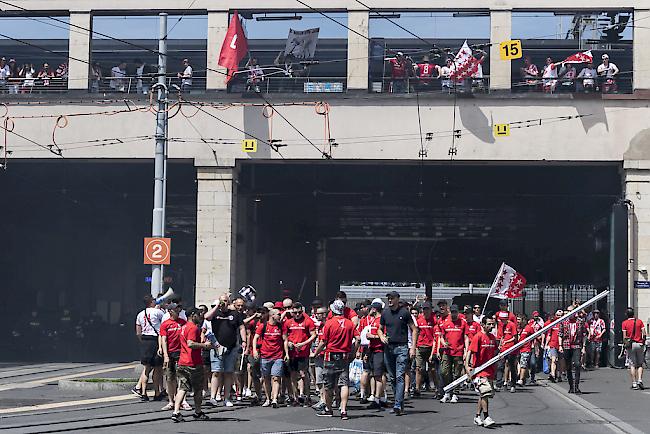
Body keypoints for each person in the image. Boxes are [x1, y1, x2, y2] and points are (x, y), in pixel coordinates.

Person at [313, 300, 359, 420]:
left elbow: (323, 342)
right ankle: (343, 410)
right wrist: (353, 351)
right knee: (343, 383)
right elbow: (358, 338)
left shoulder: (329, 323)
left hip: (330, 356)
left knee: (328, 384)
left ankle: (329, 409)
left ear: (333, 310)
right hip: (344, 355)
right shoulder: (349, 323)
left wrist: (315, 353)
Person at [378, 291, 417, 415]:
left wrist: (413, 348)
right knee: (393, 377)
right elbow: (379, 329)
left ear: (397, 299)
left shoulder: (404, 312)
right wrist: (381, 336)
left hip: (402, 348)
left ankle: (397, 404)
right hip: (388, 348)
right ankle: (399, 403)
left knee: (400, 376)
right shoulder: (385, 313)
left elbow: (414, 329)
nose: (390, 300)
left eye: (392, 298)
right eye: (388, 298)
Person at [204, 293, 246, 407]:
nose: (223, 303)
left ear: (229, 302)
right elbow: (207, 317)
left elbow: (241, 327)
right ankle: (213, 397)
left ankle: (226, 397)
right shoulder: (215, 312)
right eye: (222, 301)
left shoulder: (234, 314)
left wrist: (244, 341)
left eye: (225, 301)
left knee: (228, 372)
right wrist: (217, 306)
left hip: (231, 347)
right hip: (217, 347)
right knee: (216, 372)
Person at [171, 307, 213, 422]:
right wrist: (204, 345)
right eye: (199, 314)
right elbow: (190, 344)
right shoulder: (193, 328)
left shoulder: (183, 327)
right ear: (193, 315)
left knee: (182, 387)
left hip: (182, 361)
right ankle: (198, 411)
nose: (200, 317)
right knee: (198, 388)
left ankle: (176, 412)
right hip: (193, 362)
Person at [159, 303, 192, 411]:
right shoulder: (165, 324)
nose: (178, 311)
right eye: (175, 310)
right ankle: (171, 401)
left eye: (178, 309)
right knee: (169, 378)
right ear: (170, 311)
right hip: (170, 352)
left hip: (181, 352)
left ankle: (183, 400)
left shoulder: (183, 323)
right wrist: (165, 355)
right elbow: (163, 339)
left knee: (182, 377)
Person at [283, 302, 316, 406]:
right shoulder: (288, 322)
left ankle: (307, 396)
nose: (297, 314)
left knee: (303, 374)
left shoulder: (308, 321)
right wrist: (288, 344)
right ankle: (295, 397)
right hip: (292, 353)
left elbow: (313, 335)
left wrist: (304, 343)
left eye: (299, 312)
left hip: (303, 352)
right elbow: (284, 337)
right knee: (293, 375)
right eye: (295, 312)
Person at [134, 295, 165, 401]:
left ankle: (143, 393)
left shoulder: (140, 314)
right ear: (151, 302)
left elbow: (138, 331)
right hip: (156, 340)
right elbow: (165, 324)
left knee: (146, 368)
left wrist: (142, 341)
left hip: (145, 340)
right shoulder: (158, 312)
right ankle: (157, 392)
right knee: (157, 368)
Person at [468, 316, 497, 427]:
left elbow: (494, 352)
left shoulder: (492, 338)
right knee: (485, 393)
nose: (491, 326)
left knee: (482, 395)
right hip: (480, 371)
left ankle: (477, 416)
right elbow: (470, 352)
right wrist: (468, 367)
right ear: (483, 325)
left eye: (492, 324)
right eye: (489, 324)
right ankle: (486, 417)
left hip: (490, 371)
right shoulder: (478, 337)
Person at [253, 308, 285, 408]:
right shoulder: (263, 326)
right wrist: (254, 350)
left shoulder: (281, 326)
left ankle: (274, 399)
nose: (280, 316)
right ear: (272, 316)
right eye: (278, 314)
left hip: (278, 356)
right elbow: (255, 338)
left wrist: (286, 353)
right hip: (265, 356)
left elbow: (285, 340)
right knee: (266, 378)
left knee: (276, 377)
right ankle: (268, 398)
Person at [439, 304, 469, 403]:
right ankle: (447, 392)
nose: (454, 314)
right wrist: (443, 343)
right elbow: (441, 336)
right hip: (447, 352)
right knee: (444, 372)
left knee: (457, 374)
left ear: (458, 312)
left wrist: (466, 351)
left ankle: (455, 393)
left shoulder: (463, 323)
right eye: (452, 312)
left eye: (455, 312)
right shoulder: (446, 323)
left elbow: (466, 338)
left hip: (458, 352)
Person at [558, 306, 586, 394]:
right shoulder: (563, 322)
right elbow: (560, 334)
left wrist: (584, 347)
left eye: (572, 311)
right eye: (568, 311)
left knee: (577, 364)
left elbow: (584, 335)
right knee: (568, 366)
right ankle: (571, 386)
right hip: (566, 345)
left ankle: (576, 386)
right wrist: (560, 346)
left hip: (576, 345)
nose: (570, 313)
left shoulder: (580, 322)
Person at [363, 301, 386, 409]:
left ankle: (377, 399)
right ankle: (379, 397)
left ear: (375, 309)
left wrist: (372, 336)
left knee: (378, 375)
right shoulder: (373, 321)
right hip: (372, 350)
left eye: (371, 308)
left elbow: (385, 336)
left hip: (379, 350)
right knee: (374, 374)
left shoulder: (381, 321)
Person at [415, 302, 436, 397]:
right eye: (424, 309)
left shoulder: (434, 320)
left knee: (432, 369)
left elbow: (436, 335)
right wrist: (415, 346)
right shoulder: (419, 320)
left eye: (427, 309)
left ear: (431, 310)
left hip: (430, 347)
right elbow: (416, 332)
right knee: (418, 368)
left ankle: (435, 386)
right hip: (420, 347)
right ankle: (417, 388)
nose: (425, 311)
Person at [622, 307, 646, 390]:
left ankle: (634, 383)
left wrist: (625, 345)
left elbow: (625, 336)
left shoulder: (624, 323)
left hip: (631, 345)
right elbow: (644, 333)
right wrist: (643, 341)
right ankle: (640, 379)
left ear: (627, 315)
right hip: (639, 344)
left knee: (632, 364)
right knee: (640, 364)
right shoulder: (639, 321)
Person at [310, 306, 328, 411]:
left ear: (325, 314)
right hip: (318, 356)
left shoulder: (328, 325)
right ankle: (322, 400)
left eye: (319, 313)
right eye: (316, 313)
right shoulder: (320, 326)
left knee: (327, 380)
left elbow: (324, 342)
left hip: (326, 356)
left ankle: (330, 400)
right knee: (319, 379)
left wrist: (315, 352)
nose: (317, 315)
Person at [496, 310, 518, 392]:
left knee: (512, 366)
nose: (502, 321)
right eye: (501, 319)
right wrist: (500, 344)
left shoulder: (512, 325)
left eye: (503, 319)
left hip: (511, 349)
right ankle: (500, 383)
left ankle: (513, 384)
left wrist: (507, 341)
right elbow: (501, 336)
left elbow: (515, 338)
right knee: (501, 365)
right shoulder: (501, 325)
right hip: (503, 348)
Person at [544, 310, 563, 382]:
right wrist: (546, 344)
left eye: (560, 315)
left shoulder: (564, 324)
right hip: (553, 344)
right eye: (558, 315)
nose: (559, 317)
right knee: (553, 360)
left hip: (561, 345)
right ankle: (553, 375)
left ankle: (559, 375)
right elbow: (549, 335)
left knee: (560, 361)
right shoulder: (553, 323)